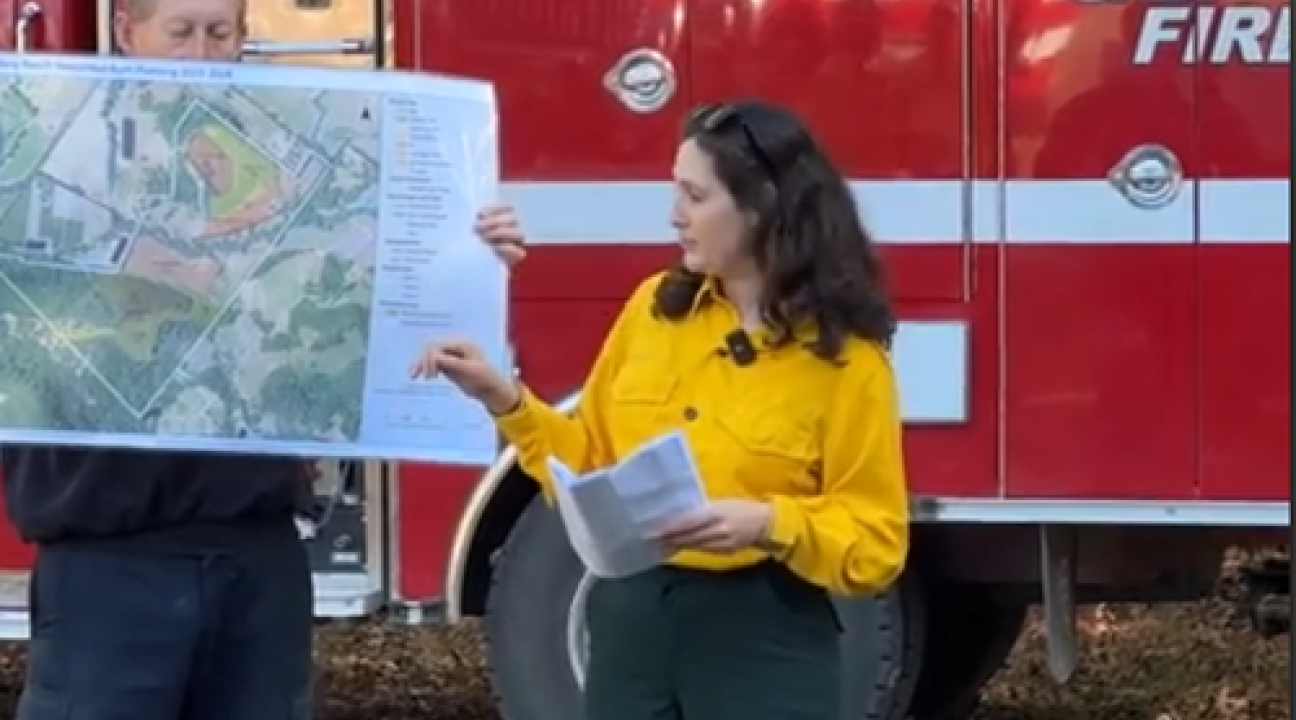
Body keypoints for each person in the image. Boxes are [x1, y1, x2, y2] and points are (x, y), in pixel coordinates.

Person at [1, 1, 526, 719]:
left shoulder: (292, 163)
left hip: (257, 558)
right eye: (179, 32)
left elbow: (378, 292)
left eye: (221, 33)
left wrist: (470, 257)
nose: (201, 53)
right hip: (107, 565)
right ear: (127, 31)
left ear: (245, 38)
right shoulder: (49, 152)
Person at [414, 101, 911, 720]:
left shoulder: (846, 360)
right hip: (631, 628)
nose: (674, 214)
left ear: (761, 207)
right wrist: (504, 399)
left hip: (764, 637)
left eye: (694, 196)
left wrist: (767, 523)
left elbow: (877, 541)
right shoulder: (654, 309)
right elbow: (587, 460)